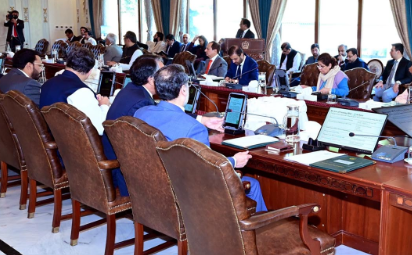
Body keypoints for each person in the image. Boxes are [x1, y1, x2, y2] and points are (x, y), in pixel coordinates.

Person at [135, 65, 266, 211]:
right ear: (183, 90)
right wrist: (234, 161)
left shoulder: (140, 113)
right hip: (186, 197)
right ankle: (259, 225)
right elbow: (207, 172)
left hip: (150, 189)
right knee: (252, 185)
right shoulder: (194, 129)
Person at [102, 55, 161, 196]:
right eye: (162, 73)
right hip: (122, 171)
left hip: (113, 156)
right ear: (151, 79)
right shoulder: (142, 102)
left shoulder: (130, 89)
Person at [40, 47, 110, 134]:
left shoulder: (47, 84)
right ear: (90, 71)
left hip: (51, 135)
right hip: (70, 140)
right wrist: (104, 106)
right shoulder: (81, 92)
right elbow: (100, 129)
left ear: (66, 64)